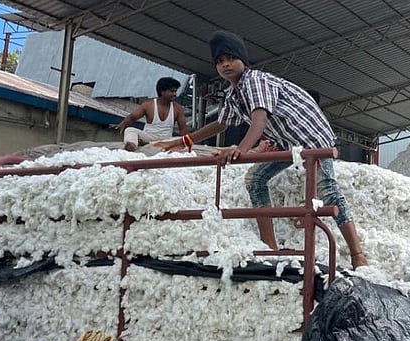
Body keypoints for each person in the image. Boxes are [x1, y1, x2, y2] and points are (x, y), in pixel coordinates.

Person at [157, 31, 368, 268]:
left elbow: (259, 121)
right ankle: (271, 248)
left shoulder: (255, 81)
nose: (225, 65)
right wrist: (186, 140)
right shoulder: (234, 94)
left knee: (328, 190)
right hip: (287, 142)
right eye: (219, 61)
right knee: (255, 180)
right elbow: (221, 123)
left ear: (242, 60)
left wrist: (240, 149)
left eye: (230, 58)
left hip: (312, 137)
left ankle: (358, 255)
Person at [111, 77, 189, 151]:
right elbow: (132, 117)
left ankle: (148, 144)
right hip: (149, 136)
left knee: (181, 139)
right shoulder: (148, 105)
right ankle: (132, 145)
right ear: (162, 92)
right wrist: (121, 125)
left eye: (175, 91)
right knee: (130, 130)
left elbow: (183, 128)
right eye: (172, 91)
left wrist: (187, 141)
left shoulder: (177, 108)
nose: (175, 94)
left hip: (167, 139)